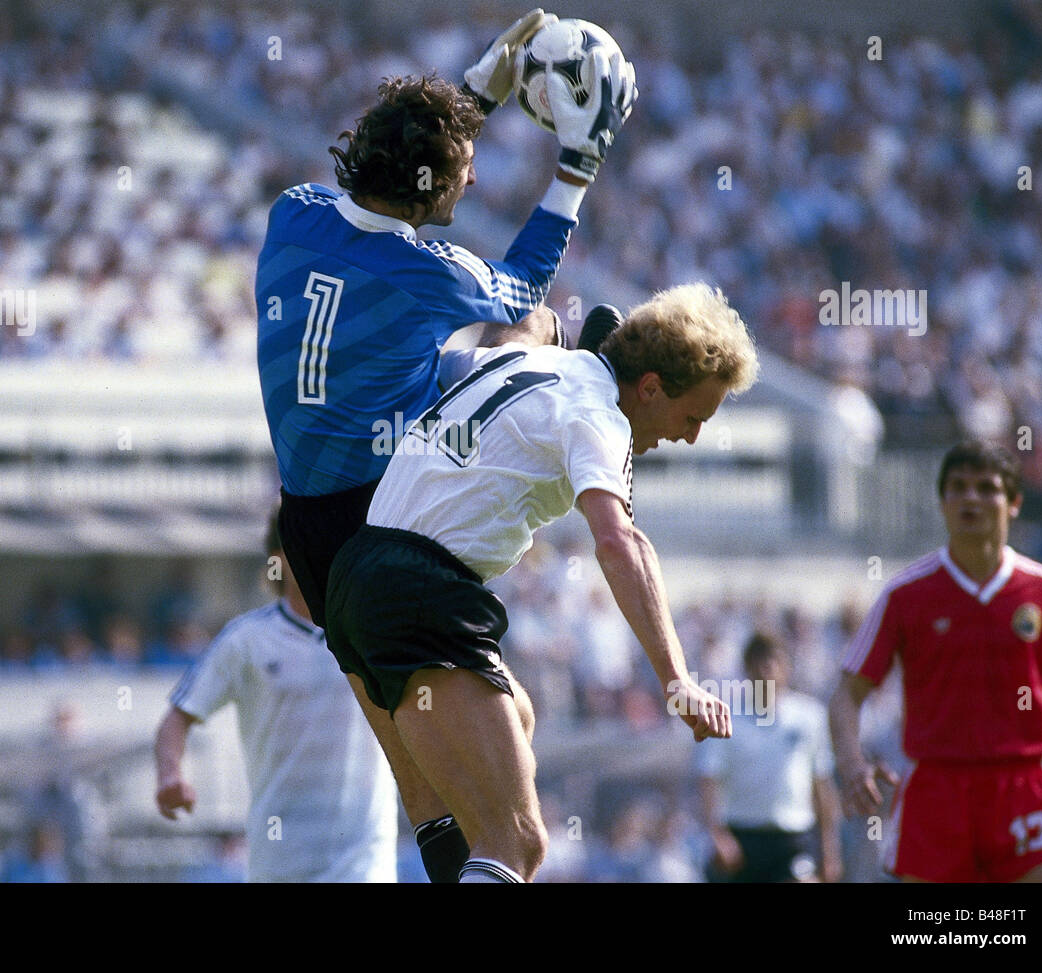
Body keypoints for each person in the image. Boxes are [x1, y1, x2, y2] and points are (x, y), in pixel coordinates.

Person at [254, 10, 636, 882]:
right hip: (390, 516)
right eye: (462, 169)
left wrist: (475, 91)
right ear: (430, 188)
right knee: (532, 329)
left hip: (306, 527)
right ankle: (584, 374)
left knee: (432, 782)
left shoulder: (293, 212)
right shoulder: (430, 273)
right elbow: (522, 282)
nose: (471, 178)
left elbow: (404, 163)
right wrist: (576, 166)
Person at [325, 282, 760, 882]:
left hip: (354, 577)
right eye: (692, 417)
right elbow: (620, 542)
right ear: (650, 387)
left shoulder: (526, 361)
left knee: (495, 759)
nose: (689, 437)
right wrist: (676, 679)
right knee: (519, 843)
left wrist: (547, 321)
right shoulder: (600, 414)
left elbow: (507, 333)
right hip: (421, 593)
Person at [830, 440, 1042, 882]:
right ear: (943, 502)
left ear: (1014, 503)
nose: (971, 499)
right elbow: (847, 694)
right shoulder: (906, 594)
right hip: (936, 792)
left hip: (1023, 787)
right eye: (958, 487)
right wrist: (852, 767)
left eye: (987, 488)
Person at [154, 510, 398, 882]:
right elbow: (177, 718)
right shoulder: (246, 640)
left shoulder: (373, 632)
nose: (315, 553)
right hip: (280, 860)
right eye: (301, 543)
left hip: (363, 859)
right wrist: (170, 775)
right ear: (276, 559)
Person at [698, 632, 843, 882]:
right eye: (759, 660)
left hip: (793, 836)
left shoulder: (810, 716)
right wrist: (717, 835)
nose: (767, 668)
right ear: (747, 667)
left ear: (787, 666)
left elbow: (821, 784)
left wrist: (830, 849)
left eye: (774, 660)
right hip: (742, 835)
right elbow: (709, 780)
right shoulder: (725, 716)